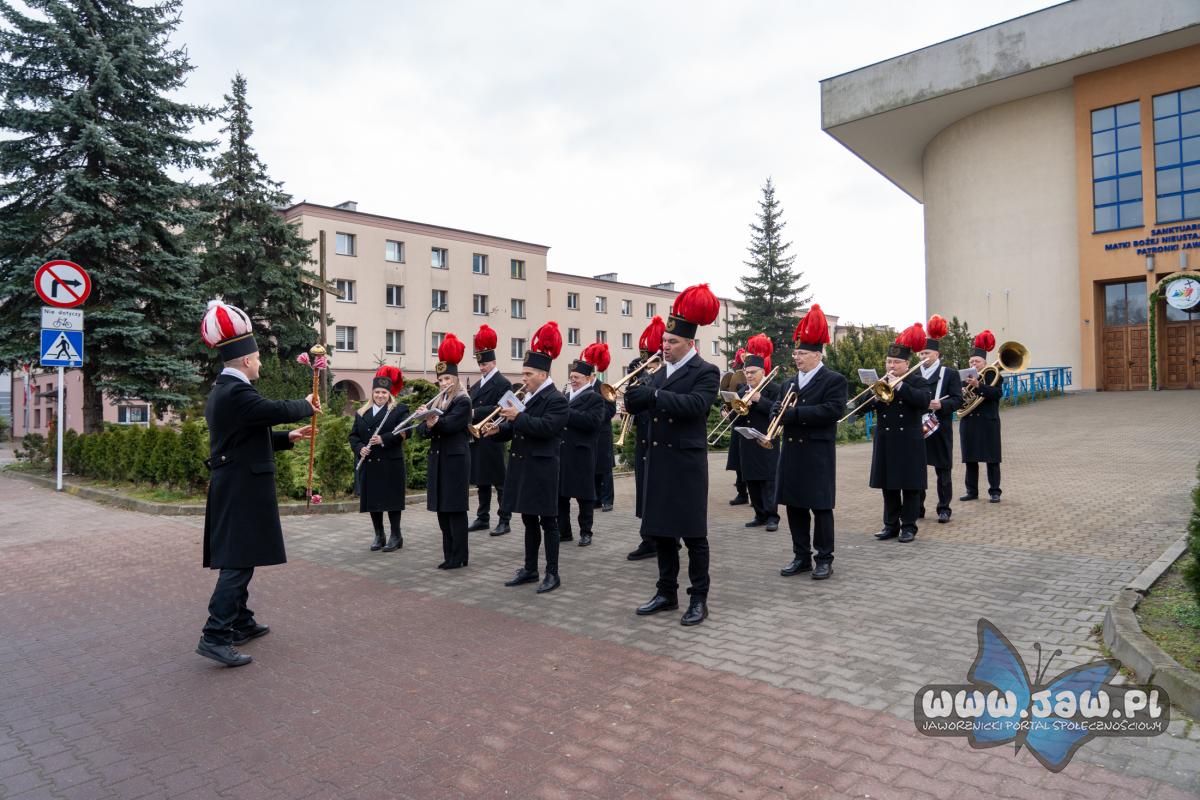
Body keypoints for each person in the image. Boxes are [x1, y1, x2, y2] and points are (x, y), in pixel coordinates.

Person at [196, 300, 316, 668]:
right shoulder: (237, 392)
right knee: (238, 561)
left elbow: (245, 434)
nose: (260, 364)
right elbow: (268, 410)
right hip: (240, 488)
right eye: (259, 359)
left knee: (241, 556)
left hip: (236, 483)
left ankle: (241, 621)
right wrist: (305, 404)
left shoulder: (226, 390)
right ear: (247, 360)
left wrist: (287, 437)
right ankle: (216, 635)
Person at [625, 284, 721, 626]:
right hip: (659, 462)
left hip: (685, 464)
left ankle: (699, 598)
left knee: (693, 535)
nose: (664, 346)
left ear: (689, 344)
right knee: (662, 532)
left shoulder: (706, 371)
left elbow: (696, 405)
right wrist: (633, 399)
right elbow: (643, 405)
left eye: (672, 342)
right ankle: (666, 592)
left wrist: (653, 397)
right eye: (664, 341)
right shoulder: (659, 372)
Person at [485, 322, 569, 594]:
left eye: (528, 374)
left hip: (543, 468)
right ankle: (530, 568)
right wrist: (497, 431)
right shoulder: (529, 396)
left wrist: (518, 417)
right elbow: (516, 429)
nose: (524, 378)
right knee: (529, 520)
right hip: (523, 466)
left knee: (548, 522)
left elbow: (547, 428)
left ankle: (553, 573)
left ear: (543, 374)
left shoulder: (556, 399)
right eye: (523, 373)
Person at [771, 305, 847, 580]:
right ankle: (801, 556)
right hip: (792, 452)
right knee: (795, 506)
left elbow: (833, 411)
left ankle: (824, 558)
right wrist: (776, 412)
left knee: (821, 507)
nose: (797, 358)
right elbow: (778, 408)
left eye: (802, 354)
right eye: (795, 353)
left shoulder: (833, 380)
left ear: (817, 355)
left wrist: (794, 414)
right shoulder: (789, 383)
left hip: (817, 452)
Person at [868, 323, 933, 544]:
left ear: (907, 363)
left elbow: (924, 401)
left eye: (896, 362)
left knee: (910, 487)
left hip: (909, 441)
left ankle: (908, 527)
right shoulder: (881, 381)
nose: (892, 365)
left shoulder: (917, 381)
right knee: (889, 486)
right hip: (886, 439)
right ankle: (890, 525)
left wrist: (900, 387)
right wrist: (874, 395)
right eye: (889, 361)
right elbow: (864, 406)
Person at [422, 334, 473, 569]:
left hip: (455, 461)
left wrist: (433, 422)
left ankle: (460, 556)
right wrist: (424, 419)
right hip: (439, 460)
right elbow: (423, 432)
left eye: (447, 378)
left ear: (455, 378)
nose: (443, 383)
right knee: (442, 510)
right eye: (440, 379)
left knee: (455, 509)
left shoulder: (463, 400)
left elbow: (451, 425)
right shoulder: (437, 402)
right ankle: (449, 555)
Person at [909, 315, 964, 524]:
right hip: (917, 426)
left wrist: (942, 405)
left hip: (940, 427)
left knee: (943, 470)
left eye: (927, 353)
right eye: (921, 353)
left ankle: (944, 508)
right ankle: (918, 507)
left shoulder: (949, 373)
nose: (923, 356)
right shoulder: (913, 374)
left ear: (937, 354)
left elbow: (958, 399)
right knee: (917, 469)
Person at [348, 365, 409, 552]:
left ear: (389, 394)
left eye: (383, 392)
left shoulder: (398, 410)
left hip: (390, 462)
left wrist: (384, 439)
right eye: (377, 392)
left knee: (392, 501)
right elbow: (353, 436)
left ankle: (396, 536)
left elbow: (406, 432)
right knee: (373, 500)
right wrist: (359, 448)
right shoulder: (362, 412)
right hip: (370, 462)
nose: (380, 395)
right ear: (372, 393)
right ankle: (379, 535)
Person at [466, 325, 514, 535]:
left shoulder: (503, 383)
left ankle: (505, 519)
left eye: (485, 364)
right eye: (480, 364)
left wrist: (475, 411)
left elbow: (501, 407)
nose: (482, 367)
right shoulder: (477, 385)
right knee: (482, 481)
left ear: (494, 362)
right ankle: (482, 517)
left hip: (494, 435)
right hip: (478, 437)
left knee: (499, 482)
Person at [625, 316, 666, 561]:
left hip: (660, 437)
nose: (646, 364)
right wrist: (633, 379)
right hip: (643, 437)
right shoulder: (640, 371)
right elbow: (632, 401)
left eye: (651, 359)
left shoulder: (667, 373)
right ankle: (648, 538)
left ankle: (666, 539)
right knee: (644, 489)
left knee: (661, 492)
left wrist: (649, 382)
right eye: (644, 359)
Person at [558, 343, 607, 546]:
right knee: (561, 495)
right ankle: (564, 532)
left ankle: (586, 532)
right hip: (563, 451)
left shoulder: (595, 398)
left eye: (577, 377)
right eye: (571, 377)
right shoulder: (565, 396)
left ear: (588, 379)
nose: (573, 380)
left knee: (584, 496)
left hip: (582, 453)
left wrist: (566, 412)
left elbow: (592, 422)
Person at [736, 334, 780, 532]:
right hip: (747, 442)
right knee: (752, 479)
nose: (749, 376)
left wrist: (759, 400)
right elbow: (737, 416)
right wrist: (728, 413)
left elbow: (778, 412)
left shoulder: (775, 389)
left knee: (768, 480)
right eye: (746, 372)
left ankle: (772, 517)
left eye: (753, 372)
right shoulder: (742, 391)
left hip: (767, 440)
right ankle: (759, 514)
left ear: (762, 372)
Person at [960, 330, 1003, 503]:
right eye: (971, 361)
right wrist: (961, 392)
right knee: (970, 459)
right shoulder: (964, 377)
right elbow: (958, 400)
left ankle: (995, 491)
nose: (973, 363)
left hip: (988, 422)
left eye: (976, 361)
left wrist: (978, 386)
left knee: (992, 459)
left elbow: (997, 394)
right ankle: (972, 491)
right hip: (969, 422)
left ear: (984, 362)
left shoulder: (993, 374)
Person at [724, 346, 749, 506]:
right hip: (737, 426)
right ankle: (742, 493)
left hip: (752, 428)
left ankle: (756, 495)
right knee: (739, 463)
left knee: (751, 464)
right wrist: (725, 411)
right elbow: (731, 402)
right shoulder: (739, 380)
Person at [594, 345, 617, 513]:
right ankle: (596, 499)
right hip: (589, 434)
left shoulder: (604, 387)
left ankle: (607, 500)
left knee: (605, 469)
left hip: (602, 433)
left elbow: (611, 410)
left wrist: (594, 416)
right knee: (592, 467)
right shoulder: (581, 389)